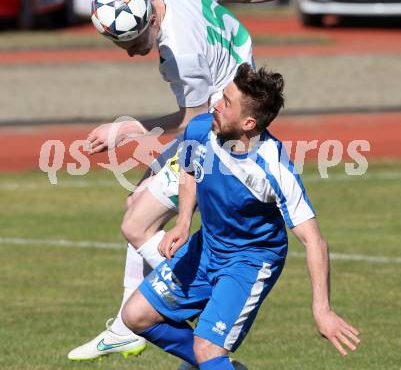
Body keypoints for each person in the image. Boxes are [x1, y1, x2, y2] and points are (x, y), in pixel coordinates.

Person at [68, 0, 331, 361]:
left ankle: (154, 318)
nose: (132, 52)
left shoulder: (182, 57)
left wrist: (124, 128)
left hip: (225, 130)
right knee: (137, 205)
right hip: (234, 103)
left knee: (138, 221)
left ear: (150, 21)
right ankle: (138, 322)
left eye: (135, 42)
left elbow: (191, 123)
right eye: (121, 44)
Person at [120, 63, 361, 370]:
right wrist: (183, 221)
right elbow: (190, 171)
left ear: (248, 122)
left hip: (249, 261)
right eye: (222, 96)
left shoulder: (272, 168)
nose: (215, 104)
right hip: (206, 246)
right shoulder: (201, 128)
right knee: (136, 316)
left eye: (226, 102)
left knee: (207, 348)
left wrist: (322, 309)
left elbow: (314, 241)